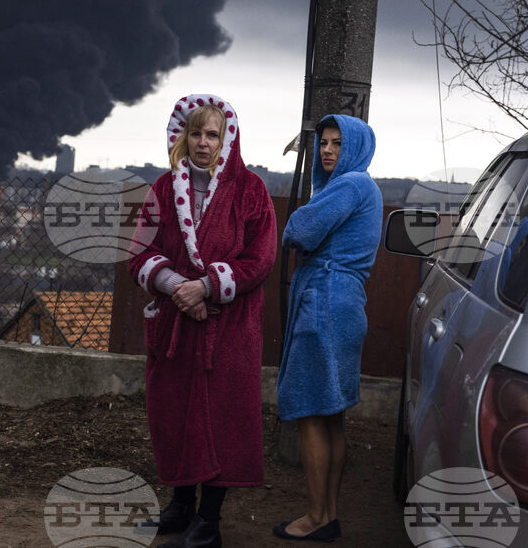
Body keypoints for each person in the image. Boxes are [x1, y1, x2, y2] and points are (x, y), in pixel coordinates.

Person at [129, 94, 277, 547]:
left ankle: (209, 520)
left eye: (212, 134)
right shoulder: (161, 189)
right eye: (195, 132)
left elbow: (261, 257)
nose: (203, 142)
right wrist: (179, 287)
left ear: (226, 137)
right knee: (174, 412)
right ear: (181, 135)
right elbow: (140, 254)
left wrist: (209, 286)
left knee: (221, 416)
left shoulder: (251, 191)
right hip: (177, 324)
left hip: (229, 328)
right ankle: (179, 506)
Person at [273, 114, 383, 542]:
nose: (327, 150)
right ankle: (328, 514)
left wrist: (298, 219)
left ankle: (317, 516)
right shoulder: (362, 188)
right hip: (345, 302)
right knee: (331, 415)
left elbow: (300, 229)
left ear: (355, 146)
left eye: (338, 142)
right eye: (323, 142)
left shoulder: (352, 184)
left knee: (310, 415)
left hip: (325, 300)